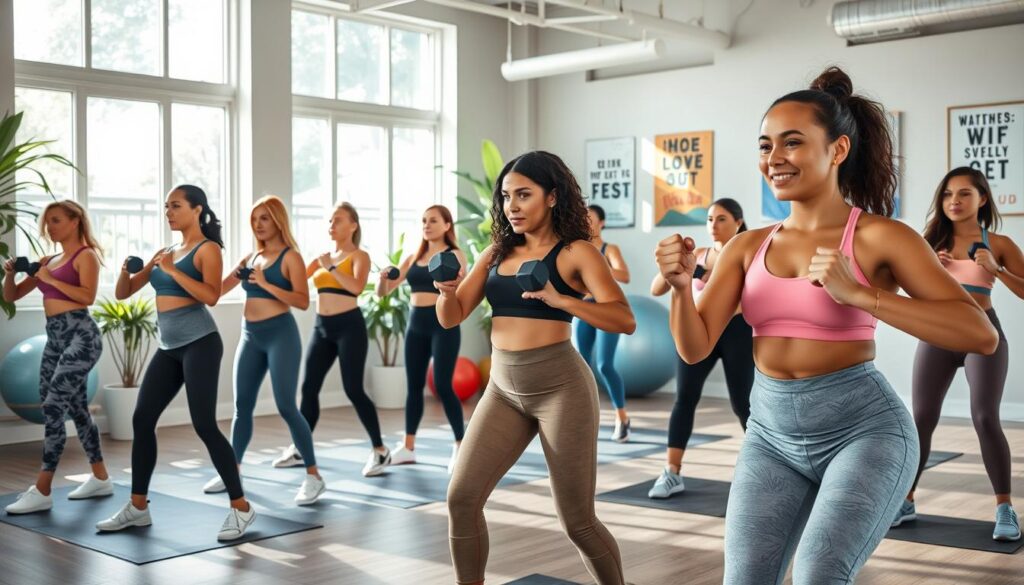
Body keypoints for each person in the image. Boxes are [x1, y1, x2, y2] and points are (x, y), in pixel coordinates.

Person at [655, 67, 998, 584]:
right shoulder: (747, 247)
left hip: (865, 431)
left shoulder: (883, 238)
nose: (774, 158)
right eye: (766, 145)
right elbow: (695, 348)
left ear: (837, 150)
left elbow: (979, 333)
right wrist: (682, 288)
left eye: (792, 143)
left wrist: (862, 294)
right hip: (770, 434)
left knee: (818, 572)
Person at [438, 151, 635, 585]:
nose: (512, 206)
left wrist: (562, 299)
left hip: (561, 387)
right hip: (503, 389)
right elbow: (451, 316)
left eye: (524, 195)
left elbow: (624, 318)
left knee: (577, 522)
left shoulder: (577, 253)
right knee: (462, 498)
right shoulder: (495, 253)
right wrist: (446, 290)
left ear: (552, 197)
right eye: (507, 196)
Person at [96, 185, 256, 541]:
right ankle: (138, 507)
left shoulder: (207, 249)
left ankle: (241, 507)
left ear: (197, 210)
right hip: (169, 347)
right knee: (142, 418)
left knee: (204, 424)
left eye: (176, 206)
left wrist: (173, 270)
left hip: (200, 343)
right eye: (166, 206)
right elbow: (125, 292)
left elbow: (211, 296)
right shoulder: (165, 251)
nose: (169, 212)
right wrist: (126, 271)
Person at [893, 167, 1023, 541]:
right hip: (938, 331)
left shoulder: (997, 243)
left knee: (984, 417)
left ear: (982, 198)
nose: (954, 201)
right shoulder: (929, 242)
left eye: (964, 193)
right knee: (921, 418)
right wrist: (933, 268)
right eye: (948, 194)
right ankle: (906, 499)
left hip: (983, 332)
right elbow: (910, 292)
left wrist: (996, 269)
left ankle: (1004, 509)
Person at [201, 195, 325, 505]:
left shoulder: (290, 258)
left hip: (280, 334)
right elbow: (216, 290)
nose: (258, 224)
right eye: (255, 218)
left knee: (286, 406)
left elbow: (301, 301)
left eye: (265, 218)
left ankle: (313, 476)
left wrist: (266, 283)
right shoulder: (249, 258)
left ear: (278, 221)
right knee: (242, 406)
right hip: (250, 336)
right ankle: (233, 471)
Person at [3, 201, 110, 514]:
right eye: (47, 222)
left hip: (81, 337)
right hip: (54, 338)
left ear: (75, 221)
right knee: (76, 408)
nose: (50, 227)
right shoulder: (48, 260)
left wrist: (49, 280)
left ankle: (43, 488)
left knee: (52, 406)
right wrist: (10, 274)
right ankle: (101, 477)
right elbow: (12, 296)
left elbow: (87, 296)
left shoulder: (85, 255)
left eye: (56, 220)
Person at [273, 202, 390, 477]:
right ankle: (301, 447)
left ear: (353, 225)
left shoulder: (359, 256)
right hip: (321, 327)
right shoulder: (322, 257)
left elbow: (357, 287)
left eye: (337, 220)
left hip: (349, 327)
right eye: (329, 221)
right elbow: (294, 280)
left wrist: (332, 267)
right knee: (309, 388)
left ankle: (380, 450)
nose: (331, 226)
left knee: (353, 389)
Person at [647, 198, 753, 499]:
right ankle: (672, 472)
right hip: (699, 334)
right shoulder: (699, 256)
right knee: (685, 399)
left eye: (721, 219)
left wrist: (710, 280)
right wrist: (674, 264)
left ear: (738, 222)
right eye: (709, 219)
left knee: (742, 405)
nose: (713, 225)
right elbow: (656, 288)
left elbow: (750, 299)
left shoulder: (748, 255)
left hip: (737, 334)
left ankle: (768, 469)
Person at [376, 205, 467, 473]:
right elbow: (384, 292)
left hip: (443, 324)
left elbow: (460, 289)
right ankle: (408, 447)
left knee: (442, 384)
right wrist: (383, 277)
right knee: (414, 387)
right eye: (424, 221)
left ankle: (460, 445)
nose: (427, 225)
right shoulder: (413, 256)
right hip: (416, 325)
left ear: (447, 225)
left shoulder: (455, 255)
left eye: (433, 221)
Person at [574, 204, 632, 441]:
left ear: (602, 223)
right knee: (581, 367)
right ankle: (586, 419)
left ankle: (622, 417)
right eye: (583, 218)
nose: (586, 222)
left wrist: (599, 268)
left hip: (607, 310)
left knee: (604, 365)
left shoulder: (610, 249)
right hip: (585, 310)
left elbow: (624, 275)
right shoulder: (576, 249)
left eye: (591, 218)